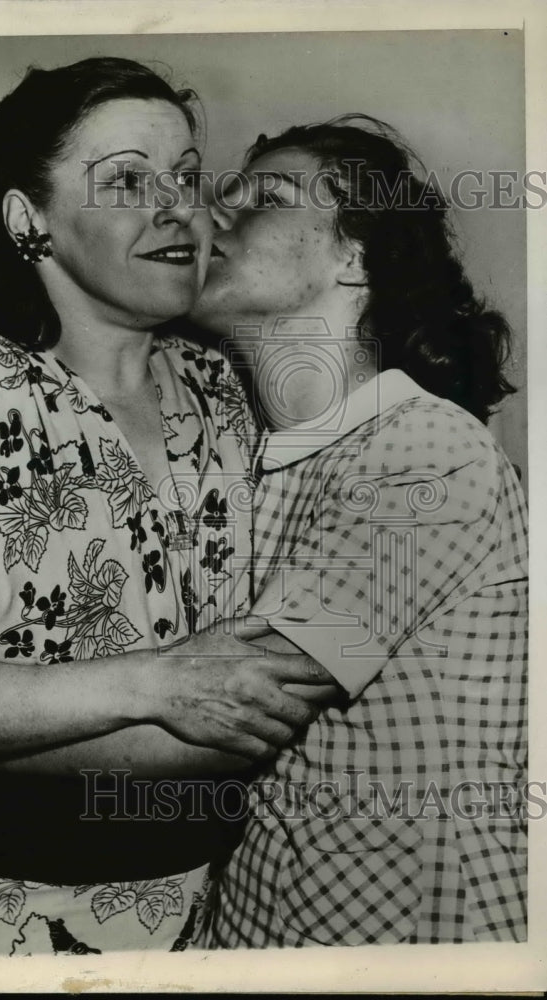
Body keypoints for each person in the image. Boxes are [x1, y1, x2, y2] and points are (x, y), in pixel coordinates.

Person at [0, 58, 334, 958]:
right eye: (127, 181)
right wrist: (158, 681)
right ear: (30, 222)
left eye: (185, 176)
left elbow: (266, 700)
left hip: (217, 914)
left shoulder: (224, 393)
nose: (177, 208)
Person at [189, 115, 528, 946]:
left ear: (356, 257)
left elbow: (241, 693)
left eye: (265, 197)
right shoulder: (241, 460)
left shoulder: (427, 449)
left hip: (420, 942)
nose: (212, 214)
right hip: (262, 929)